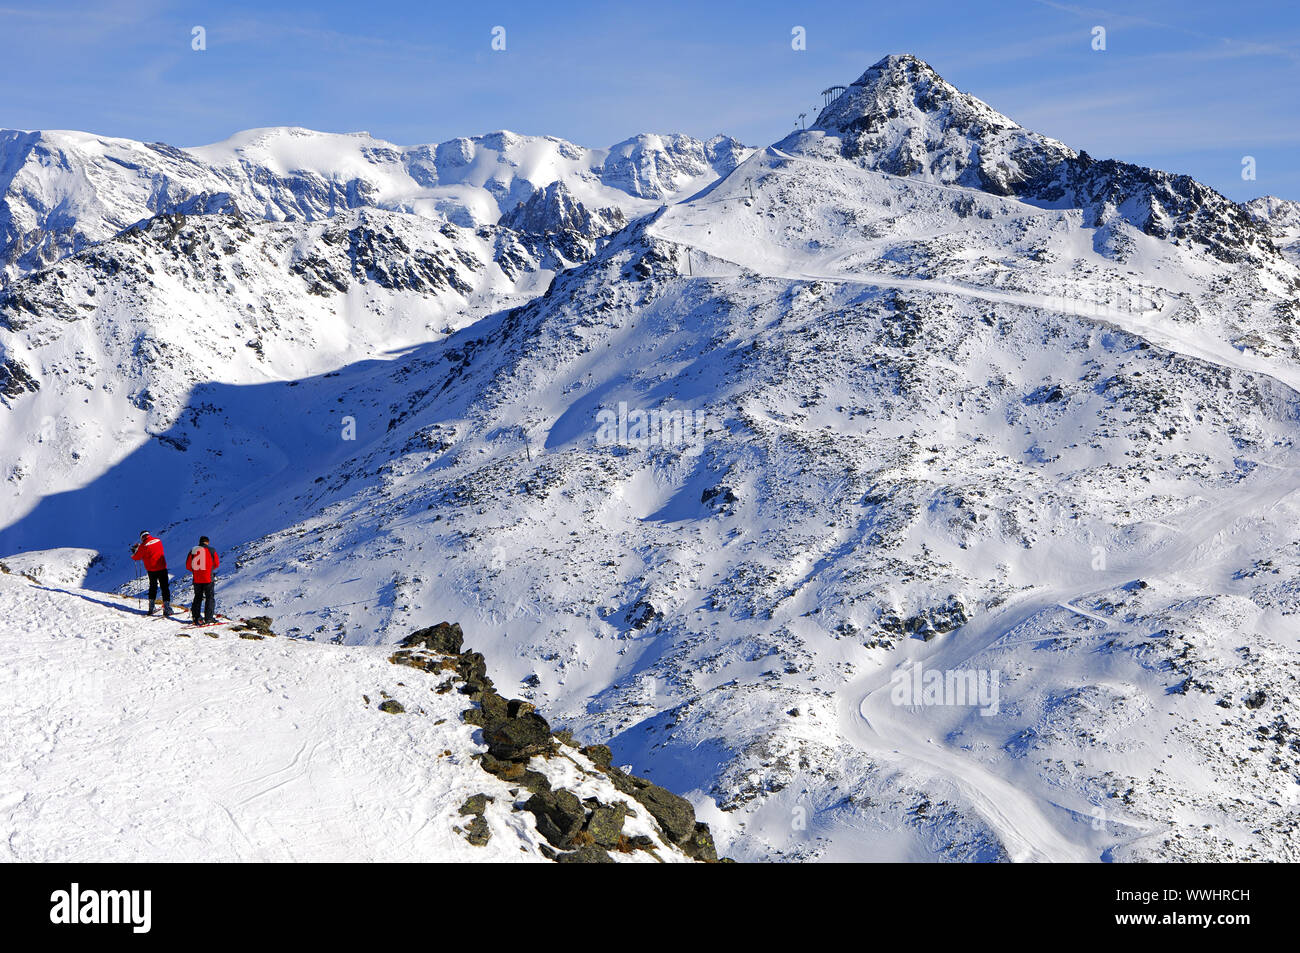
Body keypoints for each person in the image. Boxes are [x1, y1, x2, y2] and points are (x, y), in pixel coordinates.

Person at [130, 530, 173, 617]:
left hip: (152, 570)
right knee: (164, 587)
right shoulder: (158, 540)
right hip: (162, 567)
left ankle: (151, 607)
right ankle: (167, 608)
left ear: (142, 537)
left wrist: (135, 551)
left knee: (153, 587)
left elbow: (137, 557)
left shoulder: (143, 546)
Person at [185, 535, 220, 625]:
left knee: (197, 597)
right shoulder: (211, 550)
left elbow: (188, 565)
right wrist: (210, 569)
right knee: (209, 598)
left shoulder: (193, 550)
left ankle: (196, 617)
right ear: (207, 542)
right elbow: (216, 564)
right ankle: (209, 618)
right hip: (208, 578)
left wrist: (195, 571)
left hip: (197, 578)